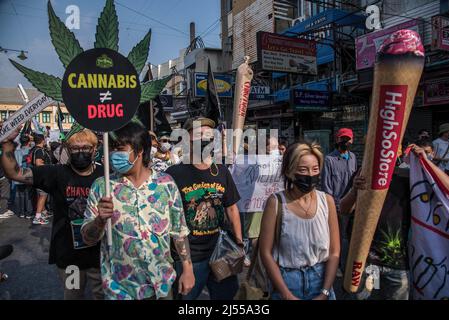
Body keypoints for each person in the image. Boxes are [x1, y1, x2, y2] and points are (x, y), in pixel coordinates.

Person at [81, 122, 194, 300]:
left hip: (161, 286)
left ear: (139, 150)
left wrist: (188, 270)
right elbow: (88, 239)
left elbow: (179, 232)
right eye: (111, 149)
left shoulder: (166, 184)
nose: (113, 154)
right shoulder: (103, 187)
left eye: (119, 148)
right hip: (119, 289)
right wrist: (100, 221)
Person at [0, 126, 104, 300]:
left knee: (102, 296)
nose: (80, 152)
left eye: (85, 148)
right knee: (73, 295)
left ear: (94, 150)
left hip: (101, 255)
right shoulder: (56, 173)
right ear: (67, 151)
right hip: (70, 256)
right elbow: (15, 173)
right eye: (74, 149)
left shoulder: (105, 176)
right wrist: (7, 144)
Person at [166, 117, 244, 300]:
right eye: (199, 134)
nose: (205, 139)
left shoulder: (222, 172)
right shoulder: (173, 174)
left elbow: (232, 209)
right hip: (189, 256)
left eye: (209, 135)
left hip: (221, 251)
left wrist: (239, 243)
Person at [259, 142, 340, 300]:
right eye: (303, 170)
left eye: (315, 169)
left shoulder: (327, 201)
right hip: (287, 282)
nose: (310, 174)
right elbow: (265, 253)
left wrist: (325, 292)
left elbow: (334, 252)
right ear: (289, 171)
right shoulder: (275, 202)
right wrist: (286, 294)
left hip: (322, 280)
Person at [340, 163, 413, 300]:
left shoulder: (408, 176)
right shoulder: (364, 173)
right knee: (365, 296)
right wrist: (355, 190)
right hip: (368, 262)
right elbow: (344, 209)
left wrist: (424, 163)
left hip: (397, 264)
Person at [321, 128, 357, 274]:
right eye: (343, 139)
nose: (345, 142)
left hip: (353, 205)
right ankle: (339, 266)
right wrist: (334, 206)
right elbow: (326, 186)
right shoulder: (329, 159)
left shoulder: (353, 157)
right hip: (337, 206)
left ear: (352, 140)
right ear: (337, 140)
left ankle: (347, 265)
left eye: (348, 139)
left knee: (350, 237)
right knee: (339, 238)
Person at [31, 133, 52, 225]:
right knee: (43, 195)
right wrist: (50, 167)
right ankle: (38, 217)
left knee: (41, 195)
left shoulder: (34, 149)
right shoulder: (39, 150)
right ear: (43, 141)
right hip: (41, 176)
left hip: (37, 176)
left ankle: (43, 213)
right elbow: (38, 163)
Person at [14, 134, 34, 219]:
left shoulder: (16, 151)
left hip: (18, 174)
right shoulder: (30, 151)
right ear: (28, 142)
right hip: (28, 174)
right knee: (28, 194)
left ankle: (22, 212)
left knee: (21, 194)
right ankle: (28, 213)